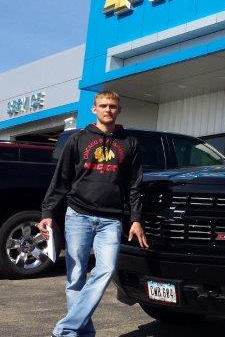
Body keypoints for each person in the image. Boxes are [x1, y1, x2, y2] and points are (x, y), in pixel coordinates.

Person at [38, 90, 149, 337]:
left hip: (112, 220)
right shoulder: (77, 139)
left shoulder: (129, 143)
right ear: (94, 109)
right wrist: (47, 212)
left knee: (106, 269)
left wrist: (136, 219)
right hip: (78, 215)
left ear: (118, 110)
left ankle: (66, 329)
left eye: (112, 106)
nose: (108, 109)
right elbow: (62, 179)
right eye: (103, 105)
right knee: (75, 276)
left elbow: (134, 184)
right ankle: (82, 332)